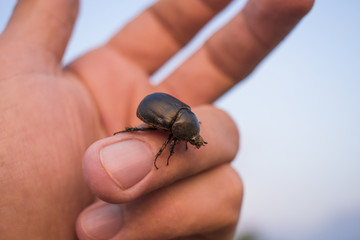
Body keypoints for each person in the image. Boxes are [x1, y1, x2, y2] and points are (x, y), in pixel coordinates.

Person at [0, 0, 314, 239]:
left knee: (149, 141)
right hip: (151, 110)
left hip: (164, 110)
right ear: (183, 132)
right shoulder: (176, 129)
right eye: (192, 138)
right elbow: (166, 145)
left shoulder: (188, 122)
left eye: (192, 138)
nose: (193, 141)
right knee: (146, 137)